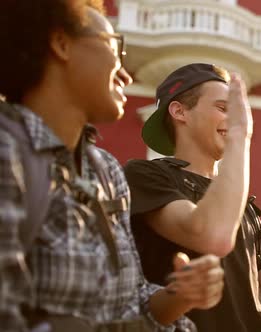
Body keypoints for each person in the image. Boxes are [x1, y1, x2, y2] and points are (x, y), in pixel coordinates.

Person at [0, 1, 223, 331]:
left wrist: (180, 296)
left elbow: (133, 299)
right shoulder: (9, 150)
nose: (125, 73)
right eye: (113, 45)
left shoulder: (105, 170)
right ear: (61, 44)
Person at [124, 63, 261, 332]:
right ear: (179, 111)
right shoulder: (146, 175)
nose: (237, 121)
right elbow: (208, 232)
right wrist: (239, 137)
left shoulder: (244, 206)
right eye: (223, 109)